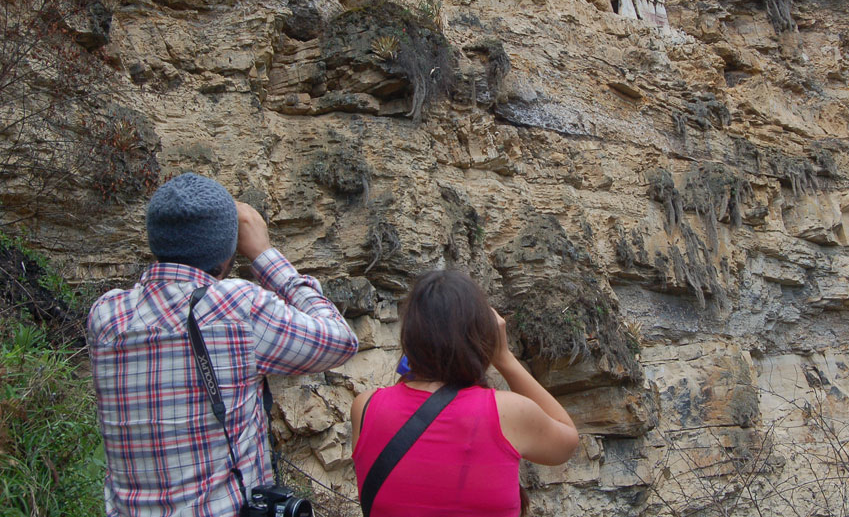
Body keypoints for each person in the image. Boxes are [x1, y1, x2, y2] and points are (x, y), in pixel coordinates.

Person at [88, 172, 359, 516]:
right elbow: (340, 340)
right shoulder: (236, 307)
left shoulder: (106, 316)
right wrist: (264, 254)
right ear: (228, 251)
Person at [351, 270, 579, 516]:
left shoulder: (365, 407)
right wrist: (504, 357)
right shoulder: (508, 413)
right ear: (484, 334)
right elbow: (566, 443)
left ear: (409, 334)